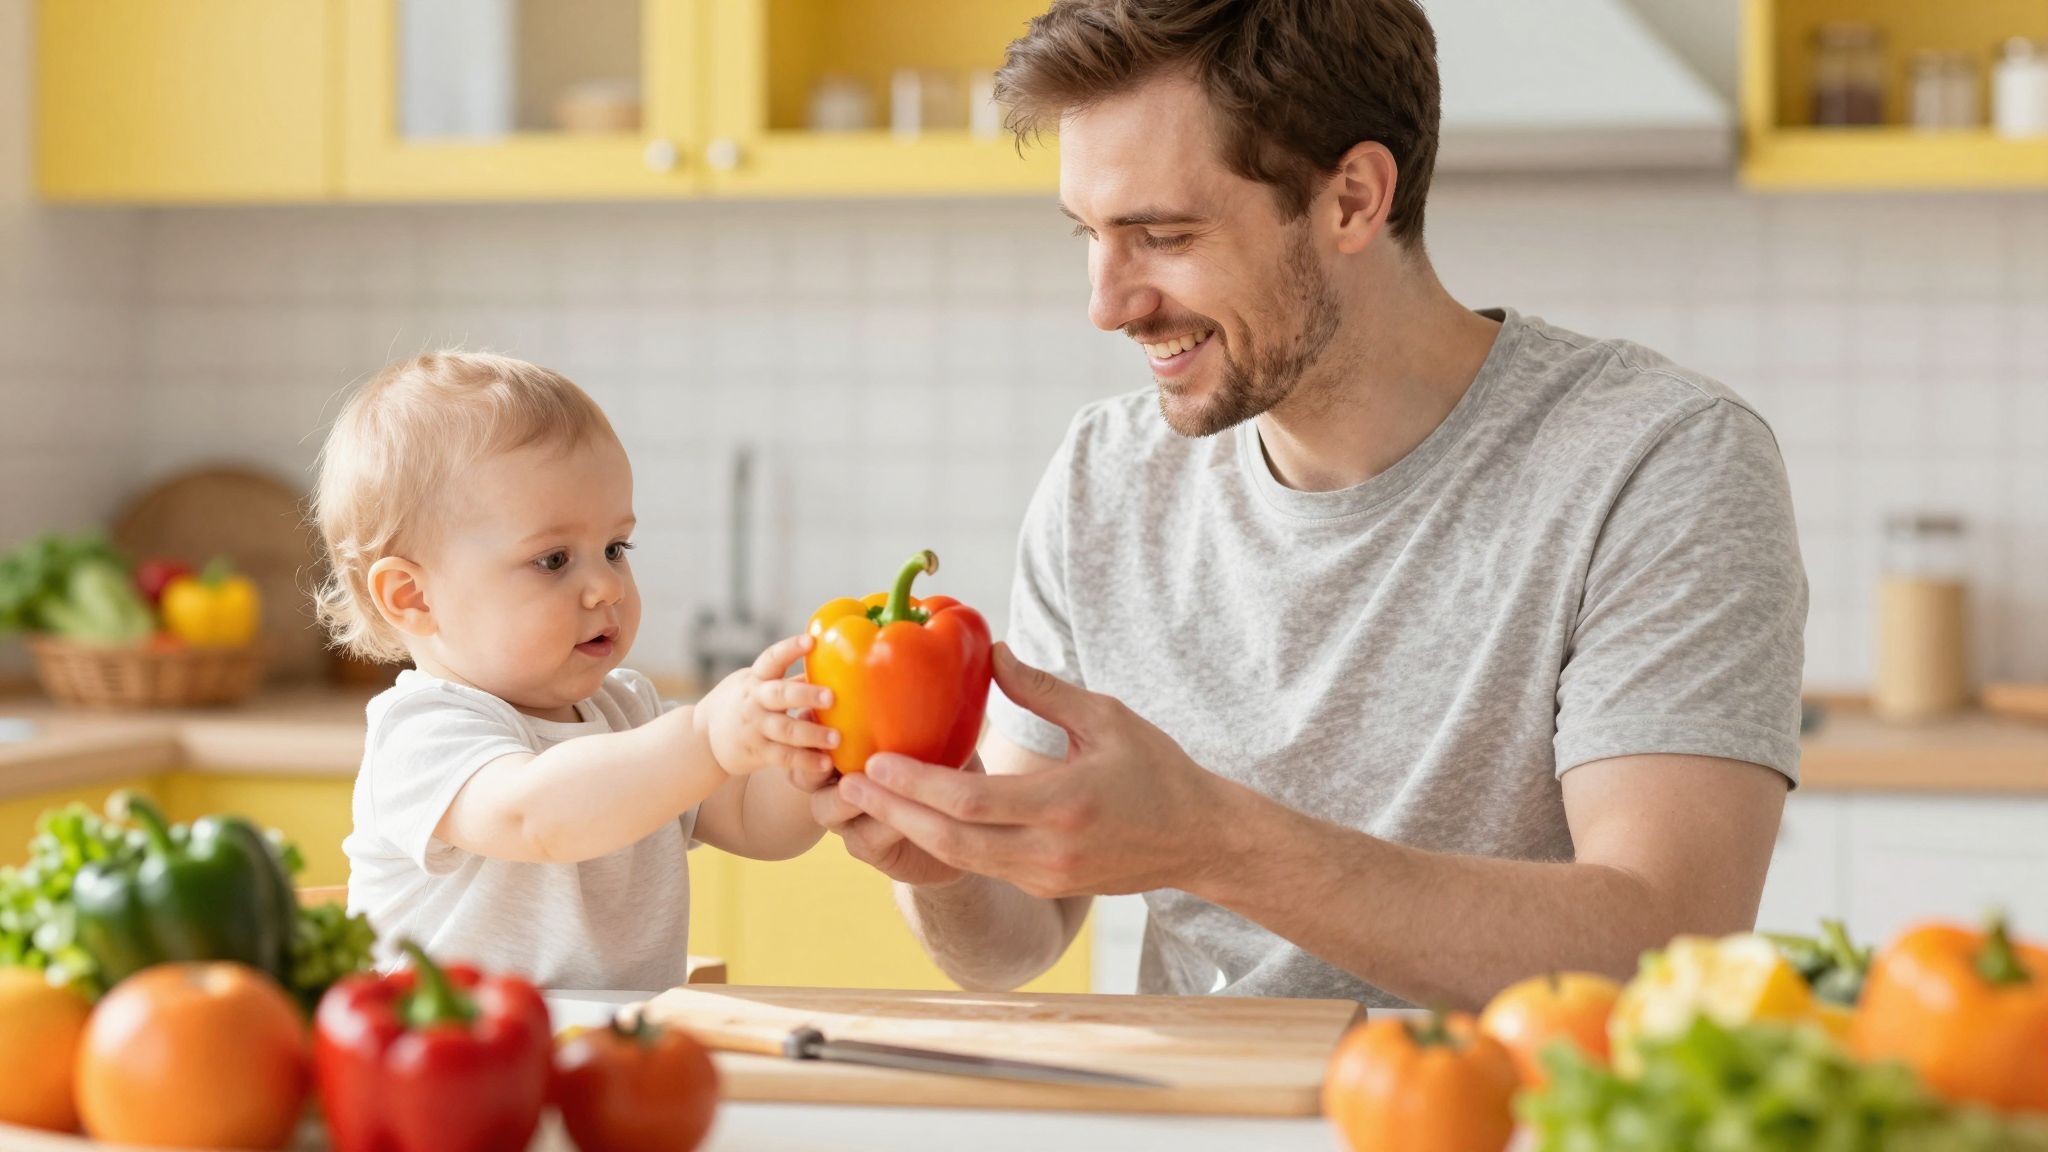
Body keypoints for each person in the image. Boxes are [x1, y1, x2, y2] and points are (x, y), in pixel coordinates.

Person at [812, 0, 1806, 1009]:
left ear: (1350, 200)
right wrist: (939, 863)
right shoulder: (1102, 477)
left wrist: (1212, 838)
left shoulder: (1655, 461)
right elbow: (1012, 944)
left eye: (1159, 234)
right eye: (1090, 234)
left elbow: (1664, 948)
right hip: (1207, 1116)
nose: (1106, 304)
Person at [313, 351, 838, 990]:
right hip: (452, 1069)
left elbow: (759, 823)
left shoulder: (631, 712)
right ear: (414, 598)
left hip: (611, 1062)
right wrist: (704, 738)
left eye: (615, 548)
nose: (605, 587)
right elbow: (537, 817)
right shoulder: (422, 731)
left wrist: (813, 755)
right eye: (554, 559)